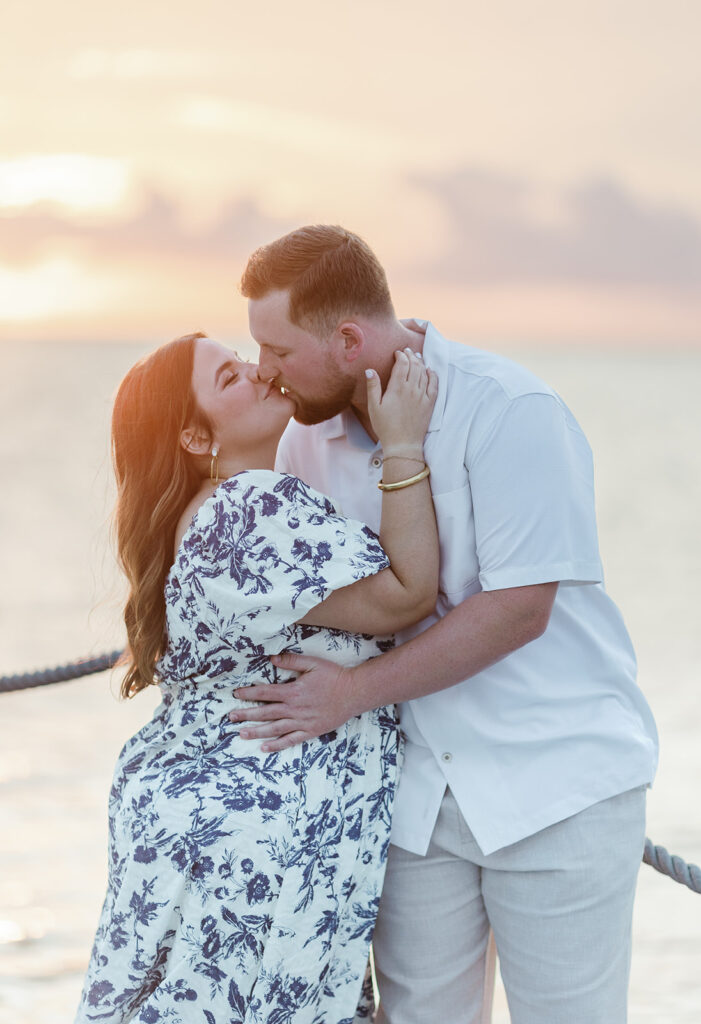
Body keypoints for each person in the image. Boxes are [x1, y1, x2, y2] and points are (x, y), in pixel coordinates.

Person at [229, 225, 660, 1024]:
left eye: (278, 351)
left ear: (348, 338)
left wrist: (351, 694)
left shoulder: (509, 408)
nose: (264, 371)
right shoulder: (301, 444)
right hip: (412, 795)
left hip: (553, 783)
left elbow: (518, 611)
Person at [75, 330, 439, 1024]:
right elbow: (406, 594)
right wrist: (404, 442)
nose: (255, 371)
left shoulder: (201, 516)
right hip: (258, 842)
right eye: (228, 379)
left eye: (239, 357)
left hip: (206, 822)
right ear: (192, 436)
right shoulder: (247, 509)